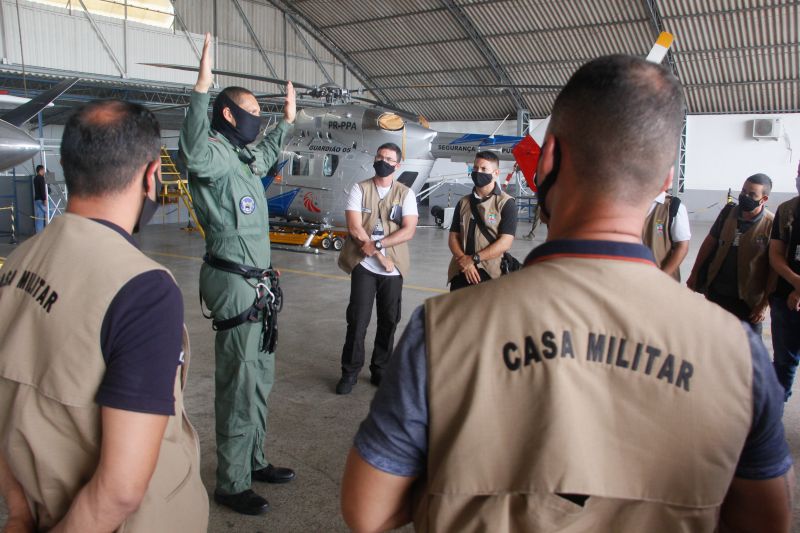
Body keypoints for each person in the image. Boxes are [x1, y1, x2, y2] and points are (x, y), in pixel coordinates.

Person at [341, 55, 793, 532]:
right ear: (663, 182)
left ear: (549, 158)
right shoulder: (737, 354)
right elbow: (766, 521)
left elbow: (367, 509)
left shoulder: (442, 330)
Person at [0, 100, 208, 532]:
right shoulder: (143, 289)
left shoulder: (18, 262)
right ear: (152, 176)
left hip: (43, 507)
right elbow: (121, 490)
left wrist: (18, 507)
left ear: (68, 167)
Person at [179, 33, 295, 516]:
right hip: (234, 282)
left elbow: (266, 153)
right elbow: (190, 151)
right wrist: (202, 87)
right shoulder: (211, 154)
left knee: (260, 376)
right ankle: (231, 482)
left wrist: (286, 123)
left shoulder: (243, 160)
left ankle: (255, 460)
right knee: (239, 381)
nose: (258, 119)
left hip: (259, 284)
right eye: (252, 111)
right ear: (228, 114)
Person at [335, 142, 418, 395]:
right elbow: (354, 227)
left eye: (388, 158)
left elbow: (408, 230)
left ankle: (380, 370)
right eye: (379, 156)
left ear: (397, 165)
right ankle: (349, 372)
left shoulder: (406, 194)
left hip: (394, 270)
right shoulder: (359, 189)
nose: (382, 161)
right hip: (365, 265)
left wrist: (379, 244)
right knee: (358, 320)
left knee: (389, 321)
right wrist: (379, 257)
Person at [686, 174, 774, 334]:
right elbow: (709, 243)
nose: (745, 196)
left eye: (752, 194)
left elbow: (774, 270)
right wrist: (695, 273)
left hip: (748, 300)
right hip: (718, 292)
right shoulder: (728, 214)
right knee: (714, 341)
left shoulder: (771, 225)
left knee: (750, 351)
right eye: (743, 191)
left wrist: (763, 305)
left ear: (764, 199)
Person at [447, 151, 517, 291]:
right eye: (475, 168)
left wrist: (474, 259)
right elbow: (453, 237)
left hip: (490, 273)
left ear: (496, 173)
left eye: (484, 169)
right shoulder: (463, 202)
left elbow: (505, 242)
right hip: (461, 271)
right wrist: (464, 261)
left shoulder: (506, 203)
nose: (478, 172)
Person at [768, 162, 800, 401]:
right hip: (784, 300)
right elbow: (776, 253)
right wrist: (795, 281)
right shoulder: (787, 210)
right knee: (783, 363)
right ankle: (775, 411)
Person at [642, 184, 690, 280]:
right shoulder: (627, 203)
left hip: (660, 277)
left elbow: (682, 246)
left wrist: (662, 277)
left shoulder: (673, 207)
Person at [33, 164, 48, 233]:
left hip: (37, 199)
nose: (44, 171)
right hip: (41, 200)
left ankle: (39, 234)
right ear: (41, 170)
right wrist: (44, 199)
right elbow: (42, 189)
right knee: (49, 213)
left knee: (40, 218)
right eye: (44, 170)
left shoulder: (35, 178)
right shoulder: (41, 178)